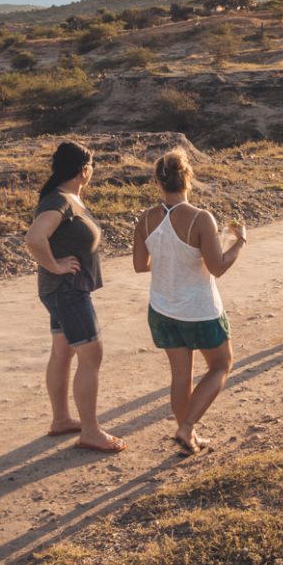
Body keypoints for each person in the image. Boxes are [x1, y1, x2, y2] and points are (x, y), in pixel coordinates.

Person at [133, 148, 246, 455]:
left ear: (158, 182)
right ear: (188, 180)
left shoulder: (145, 219)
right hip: (199, 310)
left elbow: (140, 265)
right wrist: (239, 243)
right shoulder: (200, 218)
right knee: (221, 366)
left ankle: (188, 436)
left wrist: (167, 258)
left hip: (162, 308)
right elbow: (218, 267)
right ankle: (186, 428)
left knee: (180, 376)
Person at [24, 141, 125, 453]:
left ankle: (62, 420)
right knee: (91, 355)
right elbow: (34, 238)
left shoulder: (67, 198)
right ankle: (91, 432)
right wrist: (54, 265)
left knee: (62, 353)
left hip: (62, 290)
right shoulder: (60, 201)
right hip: (68, 291)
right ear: (84, 170)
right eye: (91, 166)